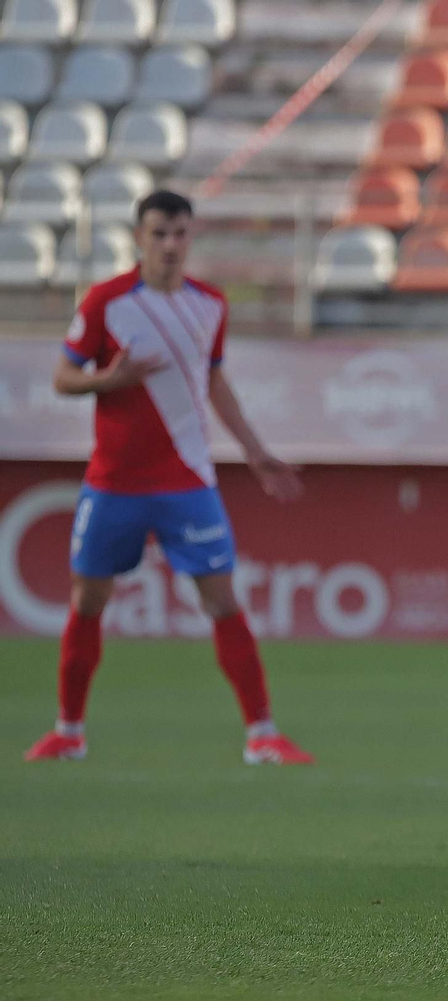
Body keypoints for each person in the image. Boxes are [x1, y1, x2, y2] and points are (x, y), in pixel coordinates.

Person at [23, 190, 314, 766]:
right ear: (139, 238)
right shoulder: (106, 301)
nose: (170, 245)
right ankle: (69, 731)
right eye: (159, 234)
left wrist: (255, 451)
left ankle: (262, 734)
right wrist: (109, 380)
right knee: (88, 599)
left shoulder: (210, 304)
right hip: (113, 483)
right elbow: (63, 377)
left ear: (191, 237)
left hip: (188, 482)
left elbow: (214, 380)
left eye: (180, 234)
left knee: (222, 600)